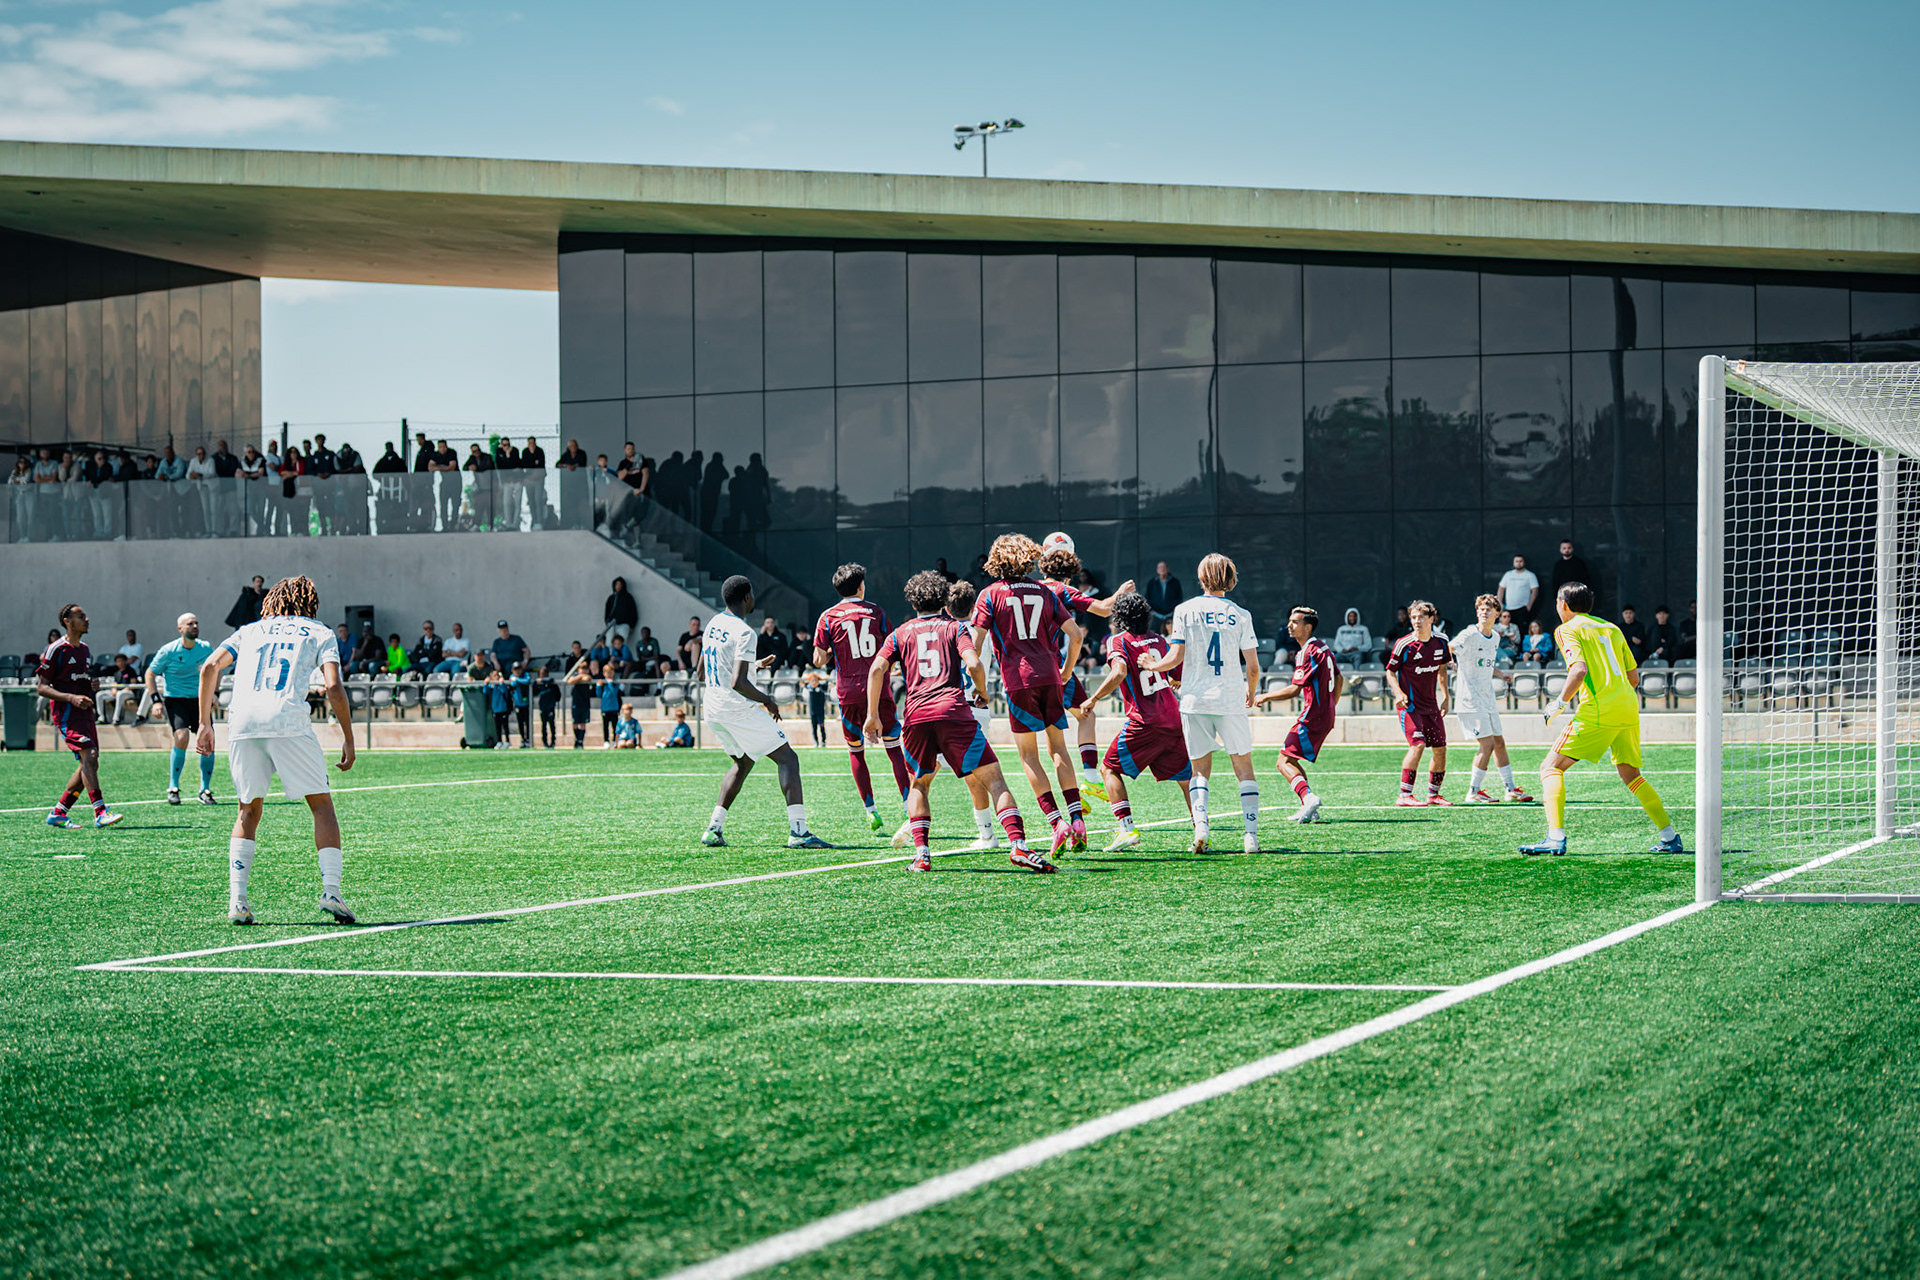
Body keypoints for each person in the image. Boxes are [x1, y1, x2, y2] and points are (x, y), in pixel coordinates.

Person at [194, 576, 356, 925]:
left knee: (247, 810)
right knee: (321, 804)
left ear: (272, 601)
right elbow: (332, 685)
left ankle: (237, 900)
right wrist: (348, 736)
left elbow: (208, 666)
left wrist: (205, 723)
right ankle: (331, 890)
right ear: (310, 601)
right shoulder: (320, 631)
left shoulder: (249, 630)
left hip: (242, 723)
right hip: (288, 720)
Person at [865, 569, 1048, 873]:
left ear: (913, 602)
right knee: (994, 779)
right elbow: (974, 662)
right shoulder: (955, 629)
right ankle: (1018, 846)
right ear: (943, 600)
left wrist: (873, 716)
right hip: (953, 711)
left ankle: (922, 855)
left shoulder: (900, 632)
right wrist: (982, 691)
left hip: (916, 715)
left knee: (919, 784)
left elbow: (876, 670)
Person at [1521, 581, 1683, 857]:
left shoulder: (1566, 629)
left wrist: (1559, 703)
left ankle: (1555, 836)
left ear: (1564, 604)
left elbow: (1579, 670)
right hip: (1628, 709)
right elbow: (1633, 677)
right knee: (1631, 775)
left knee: (1550, 767)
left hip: (1598, 710)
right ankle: (1669, 836)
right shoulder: (1611, 627)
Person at [971, 533, 1088, 856]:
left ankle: (1057, 823)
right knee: (1059, 749)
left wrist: (978, 689)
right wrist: (1065, 671)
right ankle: (1077, 820)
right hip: (1050, 676)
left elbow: (975, 645)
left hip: (1018, 680)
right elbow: (1075, 635)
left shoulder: (990, 594)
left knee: (1028, 755)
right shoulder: (1044, 590)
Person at [698, 575, 832, 850]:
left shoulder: (712, 624)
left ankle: (713, 829)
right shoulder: (745, 632)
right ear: (747, 597)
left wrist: (754, 665)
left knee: (743, 763)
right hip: (736, 709)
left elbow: (702, 672)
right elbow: (737, 683)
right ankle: (799, 832)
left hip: (711, 707)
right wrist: (768, 700)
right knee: (788, 759)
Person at [1140, 553, 1262, 854]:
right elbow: (1253, 666)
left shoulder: (1185, 610)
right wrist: (1252, 691)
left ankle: (1202, 827)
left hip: (1194, 698)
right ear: (1229, 576)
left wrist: (1153, 665)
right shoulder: (1241, 614)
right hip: (1230, 698)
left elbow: (1175, 657)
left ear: (1202, 576)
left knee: (1199, 770)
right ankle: (1250, 837)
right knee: (1243, 767)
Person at [1084, 591, 1193, 851]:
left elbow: (1119, 671)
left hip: (1145, 721)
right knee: (1186, 777)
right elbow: (1176, 675)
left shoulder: (1118, 640)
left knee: (1109, 769)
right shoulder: (1160, 640)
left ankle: (1126, 829)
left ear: (1119, 616)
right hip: (1173, 717)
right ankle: (1201, 826)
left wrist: (1094, 698)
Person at [812, 563, 913, 837]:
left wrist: (835, 649)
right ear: (860, 586)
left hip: (847, 693)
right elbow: (890, 652)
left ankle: (871, 812)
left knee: (856, 751)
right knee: (894, 748)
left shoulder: (828, 617)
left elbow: (818, 659)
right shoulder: (876, 612)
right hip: (878, 689)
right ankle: (908, 806)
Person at [1035, 534, 1135, 802]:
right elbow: (1103, 609)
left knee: (1045, 741)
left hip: (1023, 672)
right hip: (1054, 669)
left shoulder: (1030, 588)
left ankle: (1069, 808)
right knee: (1086, 715)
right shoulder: (1062, 590)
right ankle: (1089, 779)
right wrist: (1120, 594)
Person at [36, 604, 124, 829]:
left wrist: (90, 685)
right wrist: (70, 698)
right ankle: (100, 811)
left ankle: (59, 812)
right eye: (81, 616)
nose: (87, 619)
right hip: (67, 713)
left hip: (85, 712)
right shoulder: (56, 649)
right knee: (89, 756)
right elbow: (42, 687)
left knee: (90, 762)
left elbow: (78, 679)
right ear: (67, 621)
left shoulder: (84, 649)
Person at [1253, 606, 1343, 824]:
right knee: (1291, 759)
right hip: (1323, 713)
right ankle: (1307, 805)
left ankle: (1309, 798)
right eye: (1290, 621)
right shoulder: (1323, 647)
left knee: (1282, 761)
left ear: (1308, 627)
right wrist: (1330, 706)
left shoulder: (1308, 651)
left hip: (1313, 715)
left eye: (1295, 622)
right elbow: (1339, 679)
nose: (1289, 626)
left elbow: (1294, 689)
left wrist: (1265, 696)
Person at [1451, 594, 1533, 805]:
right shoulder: (1469, 634)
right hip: (1469, 699)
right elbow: (1448, 648)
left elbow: (1485, 663)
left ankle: (1510, 789)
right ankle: (1473, 791)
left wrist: (1501, 674)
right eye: (1480, 608)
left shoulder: (1495, 637)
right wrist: (1450, 664)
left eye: (1488, 609)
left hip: (1487, 697)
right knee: (1486, 744)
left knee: (1499, 742)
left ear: (1497, 614)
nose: (1484, 612)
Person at [145, 612, 220, 804]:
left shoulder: (205, 648)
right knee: (181, 736)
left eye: (196, 623)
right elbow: (150, 674)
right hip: (176, 700)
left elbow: (216, 668)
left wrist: (214, 693)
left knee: (207, 742)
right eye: (190, 624)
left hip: (199, 700)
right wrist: (156, 700)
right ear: (180, 629)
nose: (194, 626)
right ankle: (173, 787)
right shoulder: (168, 651)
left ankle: (205, 790)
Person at [1384, 600, 1453, 807]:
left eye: (1421, 617)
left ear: (1432, 619)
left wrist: (1446, 697)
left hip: (1431, 706)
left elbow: (1442, 670)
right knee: (1418, 745)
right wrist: (1398, 692)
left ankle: (1433, 795)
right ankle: (1404, 794)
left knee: (1440, 748)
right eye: (1413, 617)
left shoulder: (1441, 642)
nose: (1416, 621)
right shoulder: (1403, 644)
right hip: (1410, 706)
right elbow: (1390, 672)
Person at [1497, 554, 1541, 633]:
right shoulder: (1508, 574)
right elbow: (1501, 588)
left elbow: (1535, 590)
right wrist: (1500, 603)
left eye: (1520, 561)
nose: (1518, 563)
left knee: (1522, 631)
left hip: (1522, 609)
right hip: (1509, 608)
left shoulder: (1530, 575)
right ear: (1513, 563)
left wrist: (1529, 605)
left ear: (1524, 563)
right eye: (1516, 561)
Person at [1550, 540, 1593, 608]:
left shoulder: (1579, 563)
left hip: (1578, 594)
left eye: (1569, 548)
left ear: (1572, 549)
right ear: (1560, 550)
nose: (1567, 550)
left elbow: (1586, 579)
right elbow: (1555, 581)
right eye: (1564, 548)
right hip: (1563, 595)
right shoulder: (1558, 565)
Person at [1145, 560, 1183, 632]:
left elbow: (1179, 598)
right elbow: (1147, 598)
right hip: (1156, 615)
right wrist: (1151, 611)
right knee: (1154, 636)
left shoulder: (1175, 582)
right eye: (1160, 567)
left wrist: (1174, 610)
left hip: (1170, 615)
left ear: (1168, 569)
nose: (1162, 569)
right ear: (1157, 570)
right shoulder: (1152, 583)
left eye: (1164, 567)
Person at [565, 655, 594, 747]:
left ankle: (581, 740)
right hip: (576, 702)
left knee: (582, 722)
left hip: (584, 702)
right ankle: (576, 739)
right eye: (581, 668)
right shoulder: (576, 676)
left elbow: (587, 679)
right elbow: (570, 681)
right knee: (575, 722)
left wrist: (580, 677)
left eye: (585, 668)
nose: (583, 670)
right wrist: (580, 676)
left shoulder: (587, 676)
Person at [604, 576, 638, 645]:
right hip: (612, 624)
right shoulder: (612, 598)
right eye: (616, 584)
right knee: (609, 643)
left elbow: (633, 612)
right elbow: (607, 611)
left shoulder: (628, 597)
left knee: (622, 644)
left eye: (620, 584)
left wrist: (632, 625)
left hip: (624, 624)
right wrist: (607, 622)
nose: (618, 586)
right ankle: (610, 656)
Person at [486, 668, 513, 747]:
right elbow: (486, 691)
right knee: (498, 727)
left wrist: (501, 684)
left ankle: (507, 740)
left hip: (503, 708)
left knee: (505, 726)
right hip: (495, 709)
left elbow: (505, 692)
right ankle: (499, 741)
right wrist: (486, 684)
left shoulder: (502, 685)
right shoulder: (492, 687)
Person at [596, 663, 622, 745]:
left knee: (615, 725)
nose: (609, 674)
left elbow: (614, 692)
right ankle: (606, 741)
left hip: (614, 708)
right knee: (605, 726)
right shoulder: (602, 683)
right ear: (604, 673)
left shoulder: (615, 683)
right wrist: (598, 686)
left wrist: (610, 683)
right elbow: (598, 695)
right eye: (607, 672)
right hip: (605, 708)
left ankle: (615, 740)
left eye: (610, 672)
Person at [510, 661, 533, 748]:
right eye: (515, 670)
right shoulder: (512, 677)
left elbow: (527, 681)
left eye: (519, 669)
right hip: (518, 703)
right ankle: (523, 738)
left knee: (527, 722)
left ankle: (528, 739)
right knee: (520, 723)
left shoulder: (525, 675)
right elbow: (513, 683)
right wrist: (517, 680)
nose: (517, 671)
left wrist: (518, 680)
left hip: (526, 703)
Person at [803, 670, 829, 748]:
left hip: (820, 712)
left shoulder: (821, 688)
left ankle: (823, 741)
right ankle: (816, 742)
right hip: (812, 712)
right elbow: (802, 679)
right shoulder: (808, 687)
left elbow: (828, 680)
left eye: (815, 680)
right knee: (814, 728)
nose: (814, 682)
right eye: (812, 681)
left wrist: (823, 678)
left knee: (821, 727)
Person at [536, 673, 561, 747]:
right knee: (544, 725)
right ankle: (545, 742)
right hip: (542, 707)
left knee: (551, 725)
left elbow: (558, 695)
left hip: (550, 707)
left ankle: (553, 741)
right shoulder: (539, 685)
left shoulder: (552, 684)